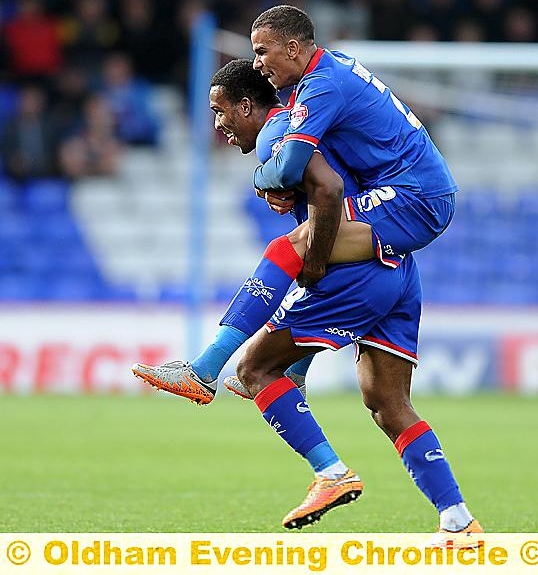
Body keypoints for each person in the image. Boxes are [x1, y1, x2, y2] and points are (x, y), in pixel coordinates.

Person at [133, 58, 482, 537]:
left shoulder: (280, 132)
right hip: (398, 267)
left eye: (221, 111)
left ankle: (321, 464)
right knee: (388, 402)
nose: (219, 126)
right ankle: (458, 520)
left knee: (255, 366)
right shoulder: (301, 124)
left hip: (359, 270)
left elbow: (328, 190)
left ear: (247, 105)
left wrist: (271, 183)